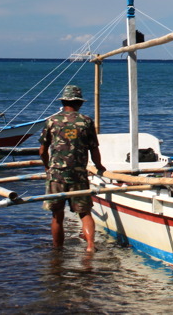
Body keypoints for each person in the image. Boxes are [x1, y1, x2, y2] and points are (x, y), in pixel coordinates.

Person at [39, 84, 106, 252]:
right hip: (78, 174)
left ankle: (57, 250)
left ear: (63, 102)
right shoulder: (86, 121)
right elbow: (94, 149)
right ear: (79, 103)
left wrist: (48, 167)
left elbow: (42, 150)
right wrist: (99, 167)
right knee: (84, 213)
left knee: (57, 215)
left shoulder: (52, 121)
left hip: (57, 175)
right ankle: (90, 246)